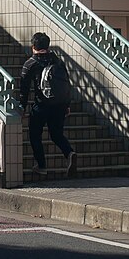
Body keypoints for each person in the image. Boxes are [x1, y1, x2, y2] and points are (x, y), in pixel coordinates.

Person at [17, 32, 76, 178]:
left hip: (41, 105)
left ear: (33, 46)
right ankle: (69, 152)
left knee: (34, 134)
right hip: (59, 105)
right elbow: (67, 83)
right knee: (56, 134)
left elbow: (24, 89)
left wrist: (22, 107)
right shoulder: (57, 61)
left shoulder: (30, 63)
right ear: (47, 46)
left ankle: (41, 165)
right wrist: (67, 104)